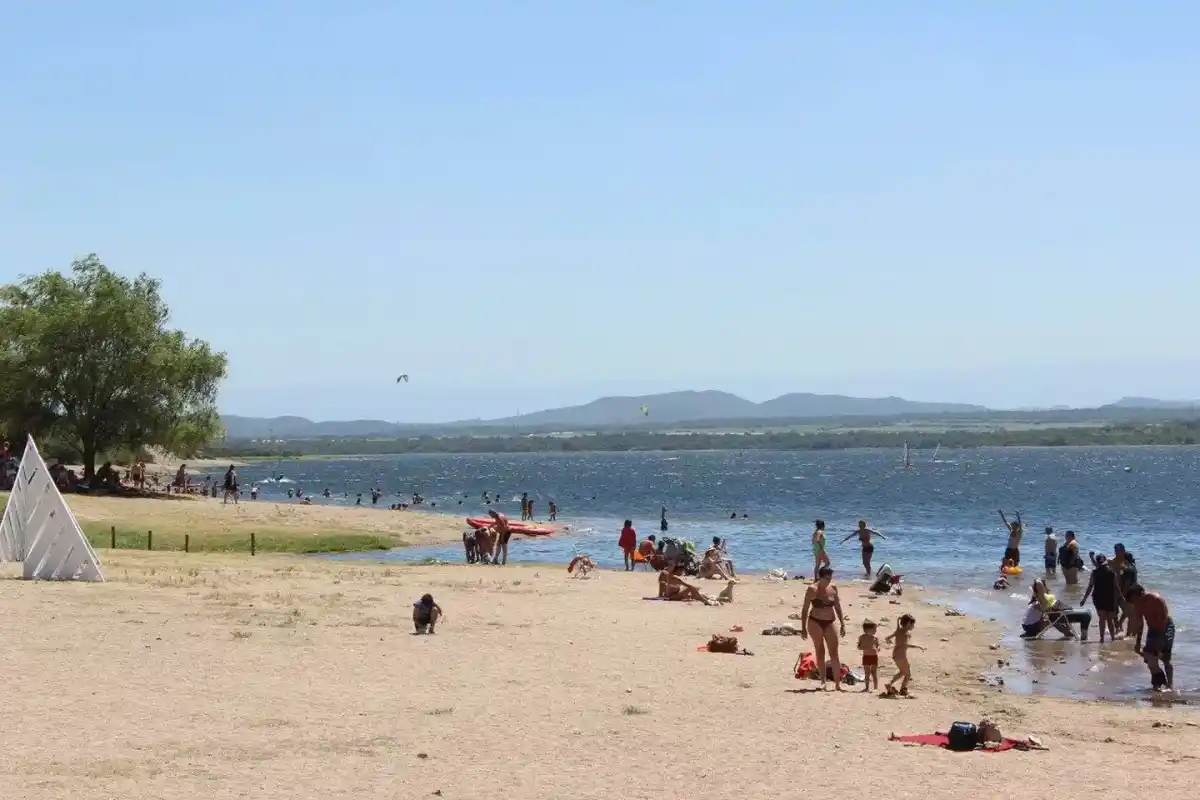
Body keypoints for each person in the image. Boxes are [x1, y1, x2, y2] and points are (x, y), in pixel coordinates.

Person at [799, 566, 846, 691]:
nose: (829, 581)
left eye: (830, 578)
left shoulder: (833, 588)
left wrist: (842, 623)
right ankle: (823, 681)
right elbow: (804, 609)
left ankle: (837, 684)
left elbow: (837, 606)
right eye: (826, 579)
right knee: (820, 651)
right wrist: (803, 627)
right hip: (815, 621)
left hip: (830, 622)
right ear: (820, 577)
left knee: (834, 653)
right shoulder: (812, 589)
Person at [1127, 584, 1175, 692]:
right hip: (1152, 629)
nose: (1134, 604)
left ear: (1139, 595)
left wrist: (1161, 639)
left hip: (1166, 628)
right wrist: (1138, 642)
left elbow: (1163, 619)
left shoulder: (1155, 599)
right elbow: (1140, 623)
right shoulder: (1138, 604)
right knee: (1149, 657)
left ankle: (1170, 685)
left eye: (1134, 600)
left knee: (1165, 658)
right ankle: (1157, 683)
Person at [1022, 578, 1090, 640]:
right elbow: (1038, 584)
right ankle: (1079, 638)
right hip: (1056, 614)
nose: (1045, 587)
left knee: (1087, 612)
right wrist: (1038, 581)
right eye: (1044, 585)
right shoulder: (1041, 598)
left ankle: (1070, 634)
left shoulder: (1044, 597)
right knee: (1086, 615)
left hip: (1061, 611)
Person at [1080, 554, 1121, 642]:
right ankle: (1112, 638)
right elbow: (1116, 586)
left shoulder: (1095, 573)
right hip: (1109, 597)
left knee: (1102, 618)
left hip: (1098, 598)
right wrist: (1120, 597)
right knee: (1110, 619)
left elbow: (1090, 586)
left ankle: (1102, 638)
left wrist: (1084, 599)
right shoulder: (1111, 572)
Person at [884, 614, 925, 695]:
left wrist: (890, 641)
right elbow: (905, 644)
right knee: (908, 674)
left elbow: (887, 638)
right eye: (913, 625)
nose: (913, 627)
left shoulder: (898, 631)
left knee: (902, 672)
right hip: (901, 656)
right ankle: (903, 689)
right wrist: (918, 646)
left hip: (895, 655)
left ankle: (890, 684)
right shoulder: (906, 633)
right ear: (909, 623)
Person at [858, 620, 881, 693]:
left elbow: (878, 646)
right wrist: (863, 647)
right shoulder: (861, 637)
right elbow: (859, 647)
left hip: (874, 656)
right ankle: (867, 687)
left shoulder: (875, 638)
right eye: (874, 629)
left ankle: (875, 688)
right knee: (867, 673)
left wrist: (878, 648)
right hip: (866, 657)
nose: (875, 631)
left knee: (874, 672)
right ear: (868, 630)